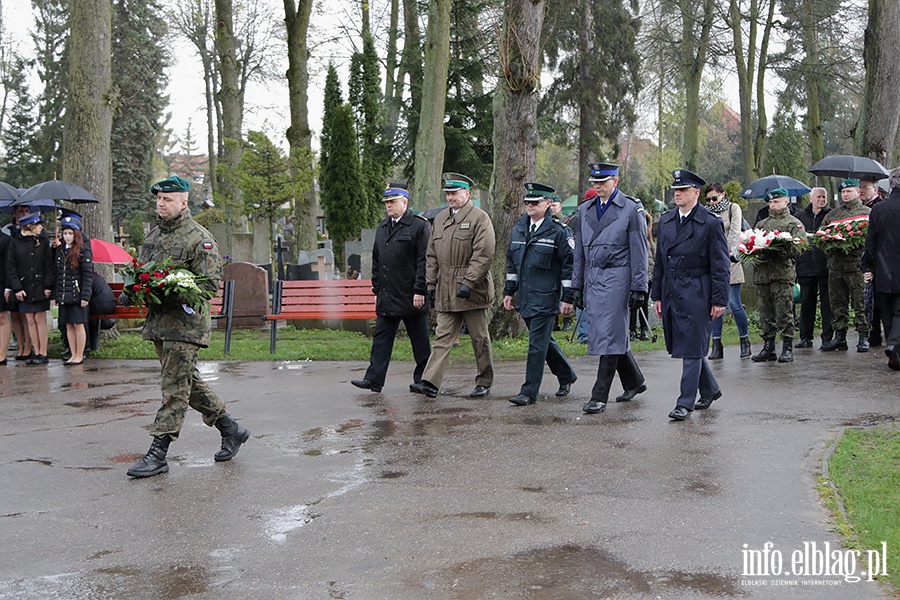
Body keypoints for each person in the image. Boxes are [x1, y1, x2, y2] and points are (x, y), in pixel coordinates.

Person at [127, 175, 249, 478]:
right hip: (160, 325)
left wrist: (175, 288)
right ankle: (231, 429)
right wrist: (140, 288)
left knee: (173, 389)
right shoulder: (152, 237)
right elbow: (143, 273)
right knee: (186, 384)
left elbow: (209, 286)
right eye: (158, 199)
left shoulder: (200, 239)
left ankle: (158, 452)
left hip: (186, 327)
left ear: (184, 202)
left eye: (167, 199)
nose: (160, 203)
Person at [651, 169, 729, 420]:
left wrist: (719, 299)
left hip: (698, 291)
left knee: (693, 347)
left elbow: (720, 266)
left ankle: (684, 402)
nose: (678, 194)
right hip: (672, 289)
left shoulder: (710, 222)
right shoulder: (666, 221)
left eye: (683, 190)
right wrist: (658, 295)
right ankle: (710, 388)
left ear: (696, 193)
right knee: (688, 346)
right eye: (676, 190)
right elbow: (660, 260)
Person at [410, 173, 495, 399]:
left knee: (479, 338)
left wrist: (469, 282)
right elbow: (431, 255)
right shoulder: (440, 219)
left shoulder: (479, 218)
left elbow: (484, 254)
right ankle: (430, 382)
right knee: (443, 337)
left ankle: (484, 381)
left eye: (454, 193)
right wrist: (430, 284)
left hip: (472, 291)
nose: (450, 197)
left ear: (467, 193)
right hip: (445, 290)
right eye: (448, 193)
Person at [572, 162, 649, 414]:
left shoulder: (630, 209)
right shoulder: (585, 210)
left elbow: (639, 249)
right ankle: (634, 381)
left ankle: (599, 395)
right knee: (610, 335)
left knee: (611, 335)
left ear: (615, 181)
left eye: (602, 182)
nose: (597, 186)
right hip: (594, 280)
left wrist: (639, 286)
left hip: (619, 280)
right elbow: (580, 254)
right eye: (594, 182)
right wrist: (577, 285)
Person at [351, 183, 431, 393]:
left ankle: (424, 380)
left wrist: (420, 290)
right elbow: (377, 260)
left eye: (392, 202)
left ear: (404, 202)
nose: (388, 206)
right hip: (387, 293)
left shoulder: (419, 226)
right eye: (387, 202)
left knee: (420, 342)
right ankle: (374, 379)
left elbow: (424, 261)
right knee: (381, 339)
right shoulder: (383, 227)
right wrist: (377, 289)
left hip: (411, 294)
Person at [503, 182, 577, 406]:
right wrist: (509, 292)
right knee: (544, 342)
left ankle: (529, 391)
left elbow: (569, 267)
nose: (530, 206)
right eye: (527, 202)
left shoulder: (559, 232)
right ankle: (566, 375)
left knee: (536, 345)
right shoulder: (519, 229)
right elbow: (512, 263)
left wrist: (568, 297)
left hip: (546, 296)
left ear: (547, 204)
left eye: (535, 202)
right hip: (525, 296)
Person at [749, 188, 806, 363]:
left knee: (784, 313)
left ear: (786, 202)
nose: (772, 205)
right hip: (763, 275)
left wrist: (781, 246)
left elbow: (800, 248)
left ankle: (787, 346)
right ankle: (768, 347)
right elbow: (752, 243)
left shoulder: (794, 224)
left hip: (782, 276)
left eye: (776, 202)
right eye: (770, 202)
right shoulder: (762, 224)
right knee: (765, 314)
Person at [819, 179, 871, 353]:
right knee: (837, 303)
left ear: (857, 192)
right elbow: (821, 235)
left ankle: (864, 335)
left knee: (860, 302)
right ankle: (839, 336)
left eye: (849, 191)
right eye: (843, 192)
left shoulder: (867, 213)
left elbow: (873, 238)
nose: (846, 194)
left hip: (857, 266)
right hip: (836, 266)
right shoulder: (832, 215)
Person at [704, 182, 751, 359]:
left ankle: (744, 340)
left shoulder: (733, 208)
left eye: (714, 198)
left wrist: (730, 254)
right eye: (708, 199)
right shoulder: (706, 212)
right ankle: (716, 344)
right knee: (714, 305)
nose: (712, 202)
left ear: (723, 195)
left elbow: (734, 233)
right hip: (711, 264)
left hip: (730, 260)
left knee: (734, 303)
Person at [862, 167, 900, 370]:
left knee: (887, 311)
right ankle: (893, 346)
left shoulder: (879, 209)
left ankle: (894, 355)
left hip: (883, 269)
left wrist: (867, 266)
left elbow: (871, 242)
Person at [6, 212, 54, 365]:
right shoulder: (16, 241)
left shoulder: (43, 240)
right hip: (24, 286)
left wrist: (48, 285)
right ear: (30, 226)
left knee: (39, 318)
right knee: (29, 319)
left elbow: (49, 264)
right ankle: (35, 350)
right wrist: (17, 288)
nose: (41, 227)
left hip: (39, 286)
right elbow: (11, 266)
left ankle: (43, 352)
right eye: (38, 224)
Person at [795, 187, 833, 348]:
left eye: (824, 197)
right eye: (818, 197)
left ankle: (827, 337)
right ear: (811, 199)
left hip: (825, 266)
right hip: (805, 266)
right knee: (806, 303)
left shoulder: (830, 216)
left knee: (827, 303)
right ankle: (805, 336)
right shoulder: (800, 217)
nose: (822, 200)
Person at [54, 209, 93, 365]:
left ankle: (79, 353)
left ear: (76, 234)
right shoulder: (60, 251)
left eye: (70, 233)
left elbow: (87, 275)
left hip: (77, 294)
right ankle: (72, 353)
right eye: (65, 234)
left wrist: (85, 295)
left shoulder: (83, 250)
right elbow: (57, 274)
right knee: (68, 324)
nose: (67, 237)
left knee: (78, 324)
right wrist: (57, 295)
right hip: (65, 294)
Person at [566, 188, 598, 345]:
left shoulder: (576, 216)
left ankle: (586, 334)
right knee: (583, 300)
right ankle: (584, 335)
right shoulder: (582, 217)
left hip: (584, 262)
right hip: (583, 262)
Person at [7, 204, 34, 361]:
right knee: (15, 315)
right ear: (14, 213)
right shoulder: (11, 232)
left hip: (27, 279)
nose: (23, 214)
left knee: (26, 315)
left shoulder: (33, 231)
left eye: (26, 211)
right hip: (13, 277)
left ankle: (28, 345)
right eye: (20, 211)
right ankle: (21, 345)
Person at [859, 177, 883, 347]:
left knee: (878, 299)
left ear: (875, 190)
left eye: (865, 188)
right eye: (859, 188)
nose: (861, 191)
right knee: (869, 300)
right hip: (866, 260)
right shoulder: (860, 209)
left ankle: (875, 333)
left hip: (878, 260)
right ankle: (872, 331)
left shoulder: (878, 207)